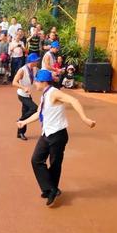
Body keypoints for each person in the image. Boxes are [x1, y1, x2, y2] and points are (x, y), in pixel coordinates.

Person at [17, 70, 96, 206]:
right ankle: (51, 188)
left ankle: (51, 190)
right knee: (36, 160)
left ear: (43, 82)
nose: (34, 83)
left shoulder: (54, 93)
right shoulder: (45, 94)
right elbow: (39, 113)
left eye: (36, 81)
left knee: (55, 164)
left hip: (58, 135)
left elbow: (74, 100)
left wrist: (84, 118)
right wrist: (24, 122)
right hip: (47, 133)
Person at [12, 53, 40, 141]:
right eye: (36, 60)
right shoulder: (22, 70)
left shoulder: (35, 69)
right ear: (32, 61)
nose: (38, 62)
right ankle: (20, 120)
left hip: (28, 95)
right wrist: (23, 87)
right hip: (22, 95)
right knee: (34, 108)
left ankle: (20, 133)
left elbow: (39, 75)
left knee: (25, 112)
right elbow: (14, 82)